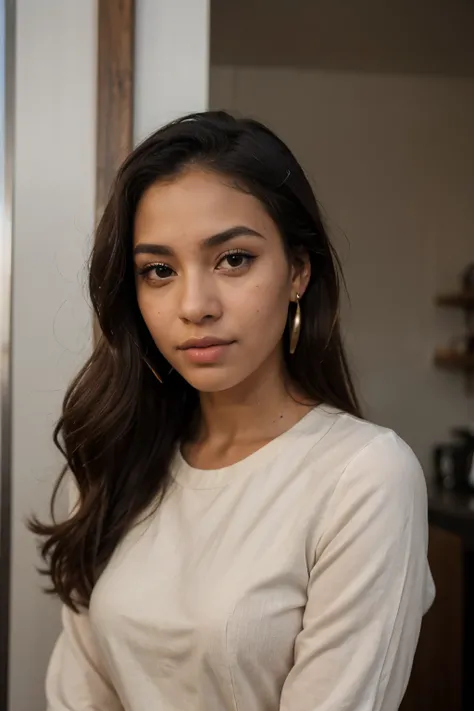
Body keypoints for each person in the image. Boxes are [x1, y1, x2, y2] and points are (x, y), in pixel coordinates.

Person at [32, 111, 435, 711]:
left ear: (298, 270)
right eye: (159, 271)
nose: (195, 305)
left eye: (234, 260)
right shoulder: (114, 461)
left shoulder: (364, 476)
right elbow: (81, 695)